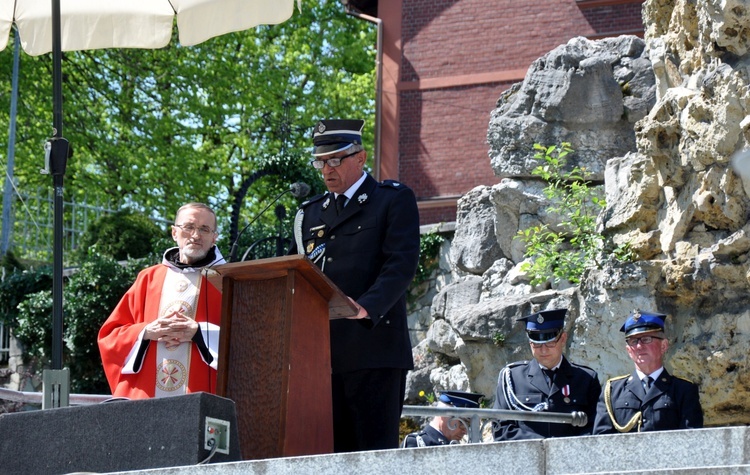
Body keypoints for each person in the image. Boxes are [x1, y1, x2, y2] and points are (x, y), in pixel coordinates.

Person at [289, 119, 420, 452]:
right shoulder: (309, 214)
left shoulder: (391, 200)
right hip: (320, 356)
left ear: (360, 158)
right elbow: (296, 275)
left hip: (373, 349)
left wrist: (366, 306)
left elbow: (400, 265)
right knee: (325, 455)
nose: (326, 169)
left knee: (373, 456)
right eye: (320, 161)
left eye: (335, 159)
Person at [98, 202, 226, 399]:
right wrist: (146, 331)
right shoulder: (149, 278)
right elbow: (110, 337)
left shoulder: (226, 280)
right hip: (148, 394)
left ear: (214, 238)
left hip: (201, 390)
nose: (195, 235)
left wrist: (200, 334)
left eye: (204, 229)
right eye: (189, 227)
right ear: (175, 233)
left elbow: (246, 341)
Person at [492, 308, 601, 440]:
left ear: (563, 339)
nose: (543, 350)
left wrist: (565, 449)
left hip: (571, 456)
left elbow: (594, 426)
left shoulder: (585, 379)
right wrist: (542, 446)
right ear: (530, 342)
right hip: (527, 455)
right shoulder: (512, 379)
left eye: (550, 342)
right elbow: (501, 429)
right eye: (537, 344)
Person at [593, 310, 703, 433]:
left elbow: (691, 440)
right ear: (629, 350)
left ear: (664, 345)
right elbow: (602, 442)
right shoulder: (613, 391)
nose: (639, 346)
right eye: (634, 341)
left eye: (646, 339)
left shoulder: (683, 390)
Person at [402, 390, 484, 447]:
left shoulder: (455, 445)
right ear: (444, 415)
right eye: (463, 422)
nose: (465, 431)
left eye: (468, 425)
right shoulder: (416, 443)